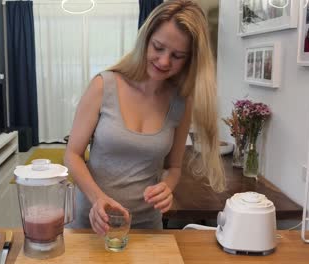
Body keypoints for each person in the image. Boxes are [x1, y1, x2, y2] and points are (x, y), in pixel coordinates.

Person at [64, 0, 225, 235]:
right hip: (93, 224)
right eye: (158, 47)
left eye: (177, 56)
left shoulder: (181, 102)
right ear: (145, 39)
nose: (164, 61)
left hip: (146, 228)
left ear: (190, 60)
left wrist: (167, 187)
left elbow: (175, 167)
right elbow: (72, 154)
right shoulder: (103, 86)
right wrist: (98, 199)